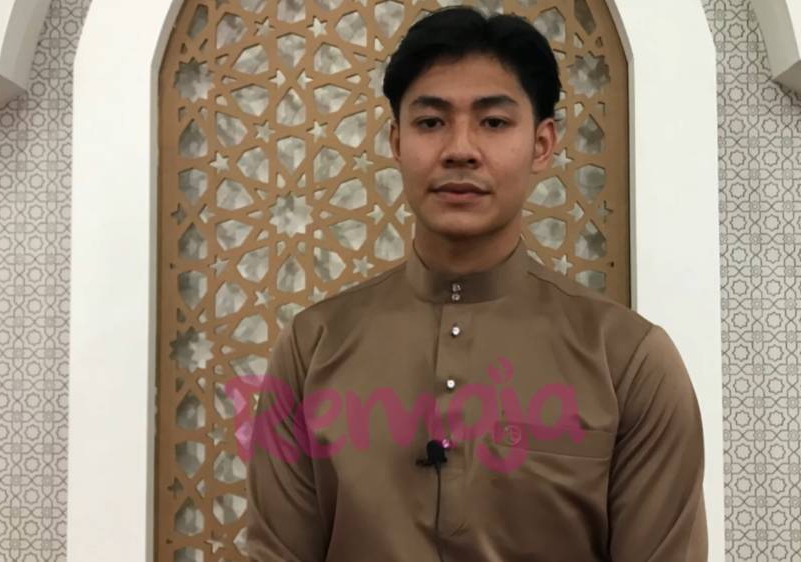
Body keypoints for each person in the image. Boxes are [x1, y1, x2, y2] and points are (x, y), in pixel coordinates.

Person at [244, 7, 707, 561]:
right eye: (431, 122)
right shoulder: (311, 350)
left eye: (493, 122)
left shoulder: (628, 361)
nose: (460, 149)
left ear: (542, 144)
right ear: (396, 142)